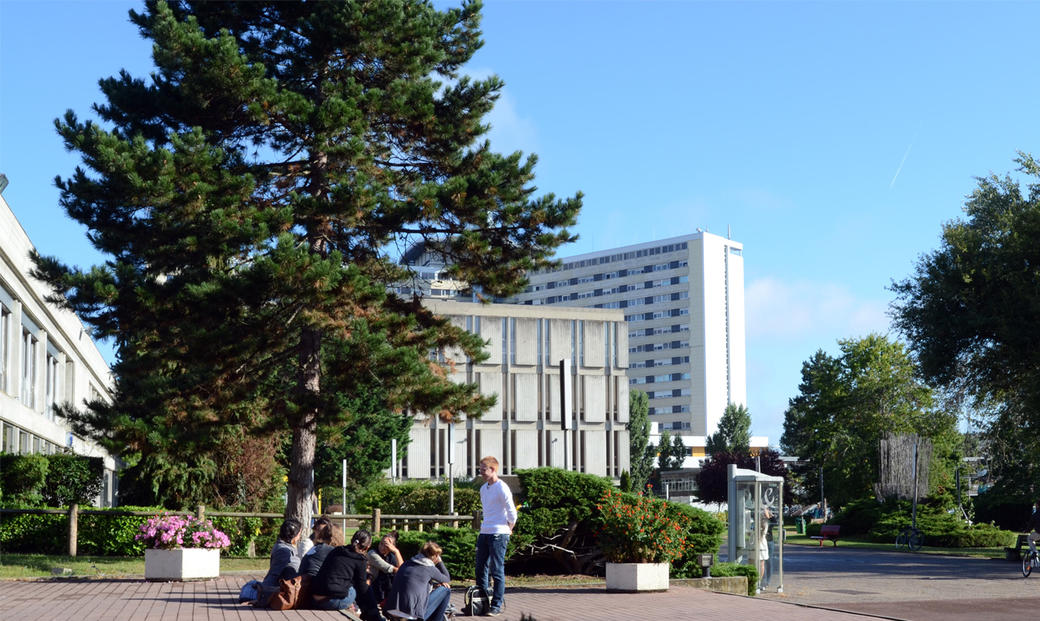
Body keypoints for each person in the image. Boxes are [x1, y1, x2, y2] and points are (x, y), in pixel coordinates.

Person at [475, 456, 517, 616]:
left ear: (493, 470)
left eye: (483, 470)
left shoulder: (502, 487)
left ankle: (496, 605)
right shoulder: (483, 489)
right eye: (480, 470)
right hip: (485, 531)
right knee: (480, 568)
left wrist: (509, 528)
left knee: (496, 569)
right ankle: (482, 602)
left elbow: (512, 511)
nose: (481, 473)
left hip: (499, 533)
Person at [311, 529, 380, 620]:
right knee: (356, 588)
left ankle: (368, 612)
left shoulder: (337, 550)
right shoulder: (360, 560)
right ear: (367, 547)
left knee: (350, 583)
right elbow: (362, 588)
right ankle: (373, 614)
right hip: (330, 602)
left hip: (314, 598)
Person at [386, 541, 452, 621]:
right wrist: (440, 562)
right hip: (411, 614)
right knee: (446, 590)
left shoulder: (406, 563)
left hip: (392, 609)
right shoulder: (429, 568)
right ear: (436, 556)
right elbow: (447, 578)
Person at [257, 518, 303, 606]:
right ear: (295, 534)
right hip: (283, 592)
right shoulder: (284, 551)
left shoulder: (283, 546)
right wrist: (265, 594)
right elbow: (274, 574)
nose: (300, 535)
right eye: (299, 533)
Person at [367, 531, 404, 605]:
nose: (382, 547)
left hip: (386, 592)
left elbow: (403, 571)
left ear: (392, 547)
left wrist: (396, 552)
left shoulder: (392, 556)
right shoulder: (372, 554)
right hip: (372, 590)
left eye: (386, 545)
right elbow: (391, 569)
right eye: (381, 543)